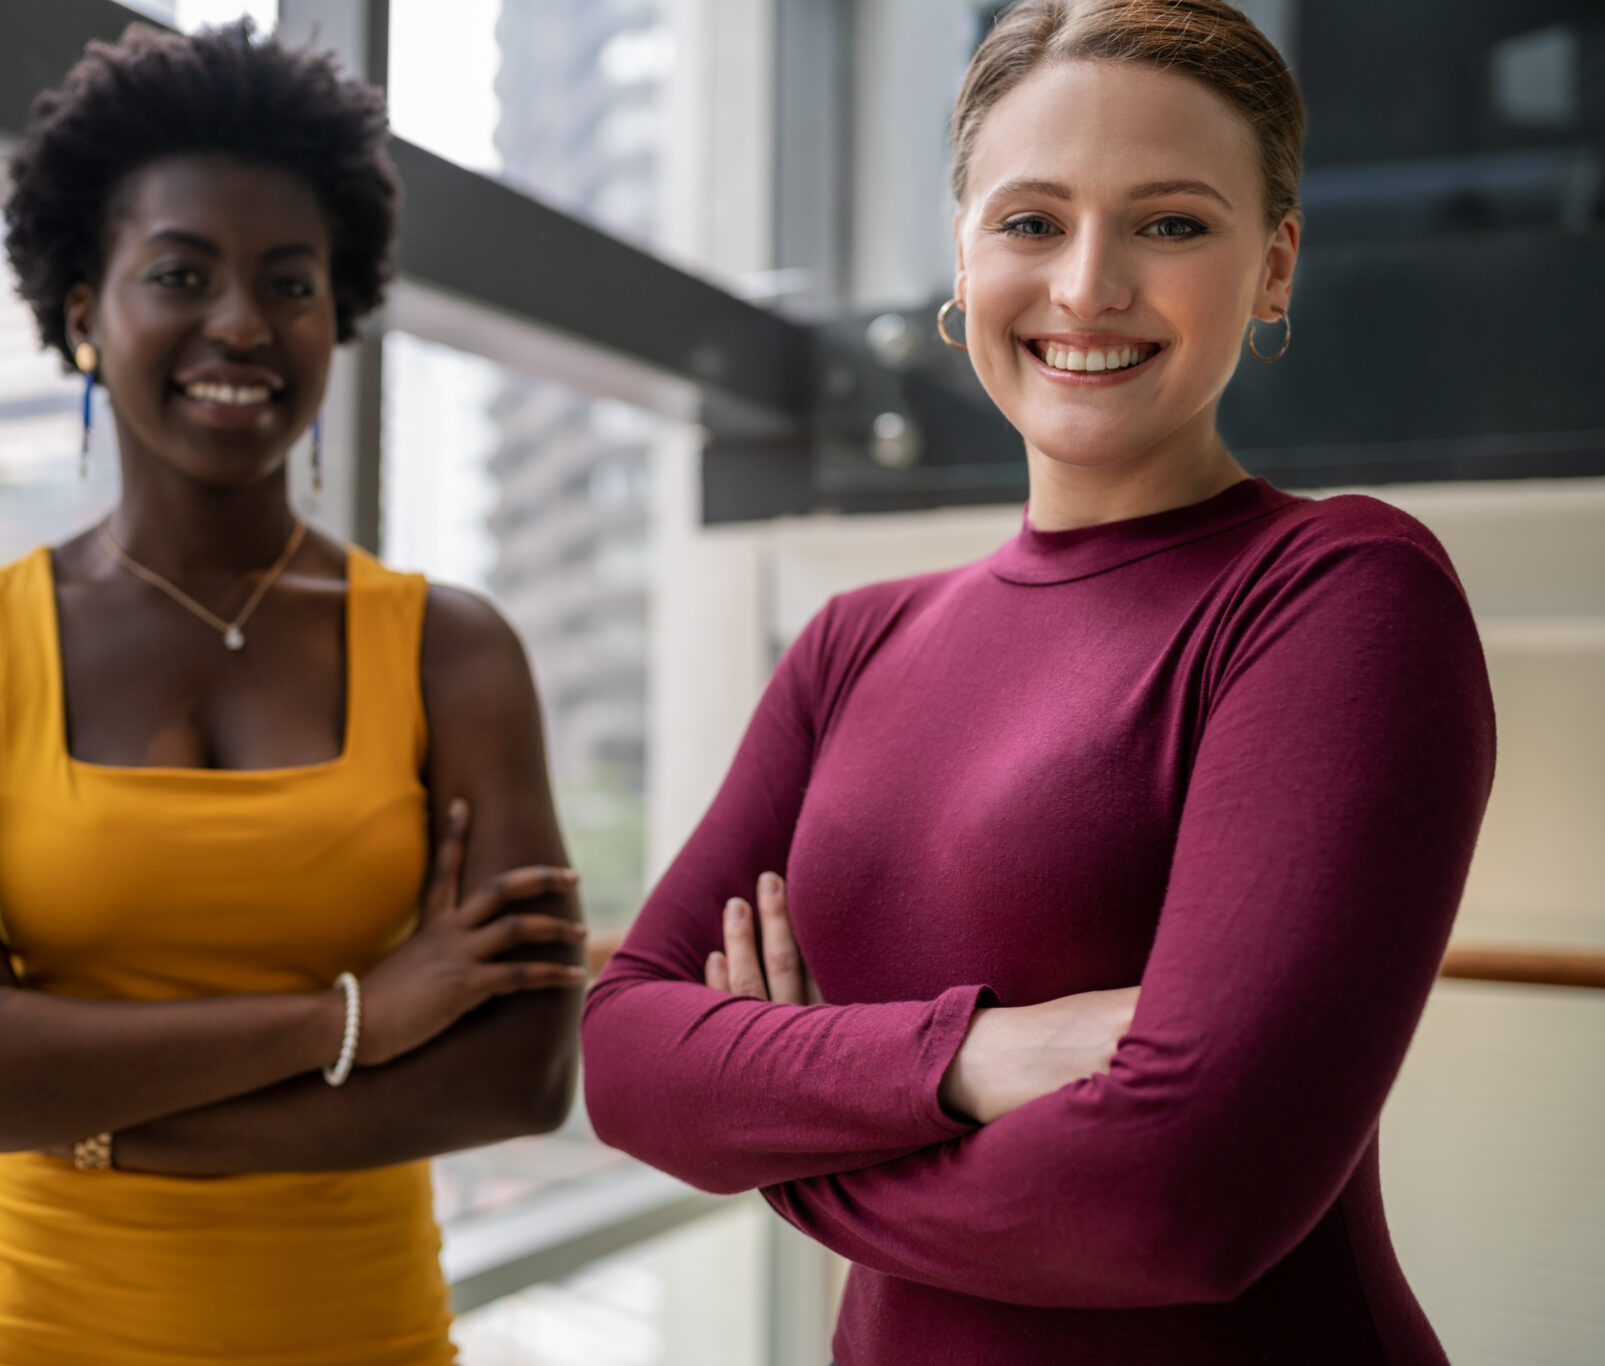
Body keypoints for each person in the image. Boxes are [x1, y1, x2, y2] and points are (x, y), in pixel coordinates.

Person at [581, 2, 1495, 1362]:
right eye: (1030, 222)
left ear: (1275, 267)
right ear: (960, 254)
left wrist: (776, 1130)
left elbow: (1178, 1204)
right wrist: (974, 1056)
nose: (1086, 286)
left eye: (1171, 223)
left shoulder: (1339, 591)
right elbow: (625, 1054)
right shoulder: (852, 643)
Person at [0, 21, 586, 1366]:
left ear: (340, 317)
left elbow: (520, 1072)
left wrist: (57, 1088)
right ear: (85, 312)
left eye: (291, 281)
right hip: (29, 1332)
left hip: (363, 1335)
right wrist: (354, 1019)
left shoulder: (454, 650)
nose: (241, 322)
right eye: (180, 273)